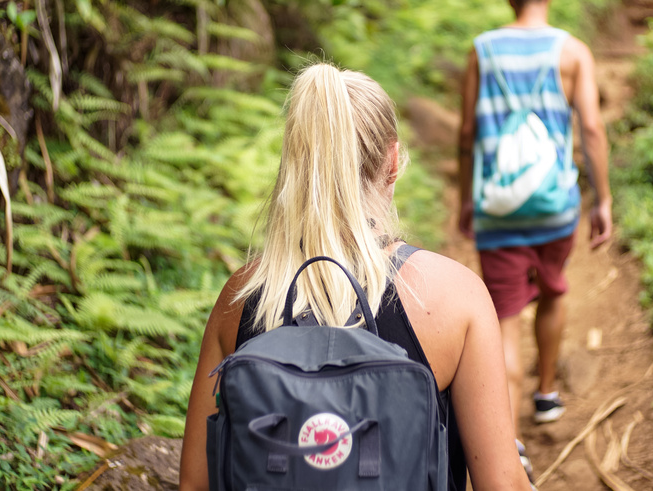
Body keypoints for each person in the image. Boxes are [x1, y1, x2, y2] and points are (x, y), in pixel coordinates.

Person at [180, 64, 532, 491]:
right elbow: (502, 484)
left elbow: (196, 485)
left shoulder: (241, 299)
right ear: (392, 162)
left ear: (295, 162)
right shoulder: (454, 297)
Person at [458, 0, 613, 458]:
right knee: (552, 291)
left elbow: (467, 134)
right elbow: (591, 128)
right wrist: (603, 198)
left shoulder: (482, 50)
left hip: (498, 206)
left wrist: (467, 197)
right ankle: (546, 395)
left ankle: (509, 443)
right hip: (554, 206)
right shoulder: (573, 52)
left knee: (502, 317)